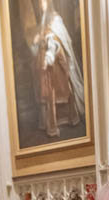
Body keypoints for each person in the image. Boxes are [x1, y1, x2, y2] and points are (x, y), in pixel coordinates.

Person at [31, 0, 84, 137]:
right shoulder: (44, 20)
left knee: (57, 92)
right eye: (39, 3)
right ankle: (50, 123)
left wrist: (48, 58)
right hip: (46, 65)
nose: (40, 5)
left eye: (43, 2)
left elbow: (56, 43)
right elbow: (44, 39)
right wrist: (38, 40)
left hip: (55, 65)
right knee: (48, 94)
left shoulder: (55, 20)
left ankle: (67, 120)